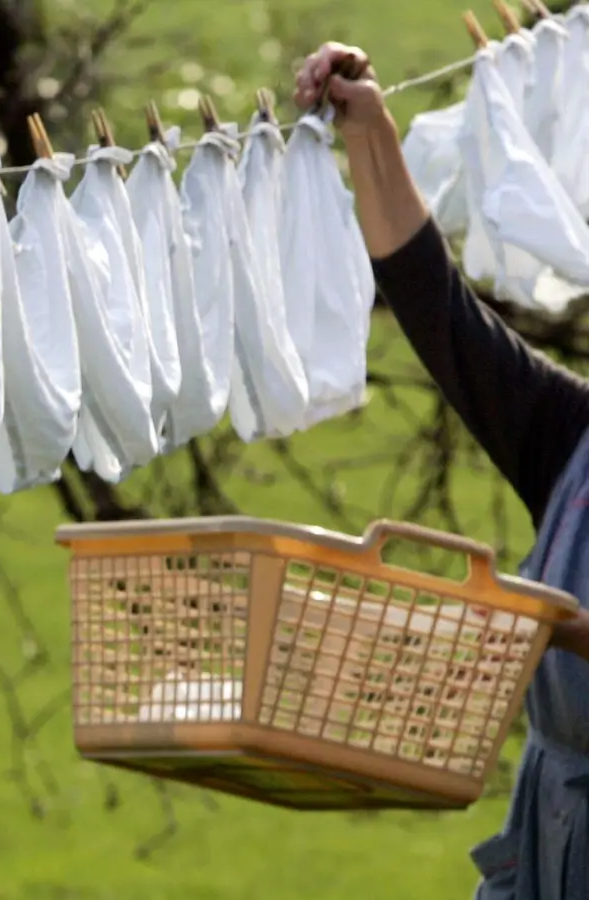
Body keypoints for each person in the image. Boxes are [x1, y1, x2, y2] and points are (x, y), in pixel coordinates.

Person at [295, 42, 589, 900]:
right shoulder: (569, 434)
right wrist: (369, 132)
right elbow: (438, 310)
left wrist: (561, 626)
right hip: (555, 840)